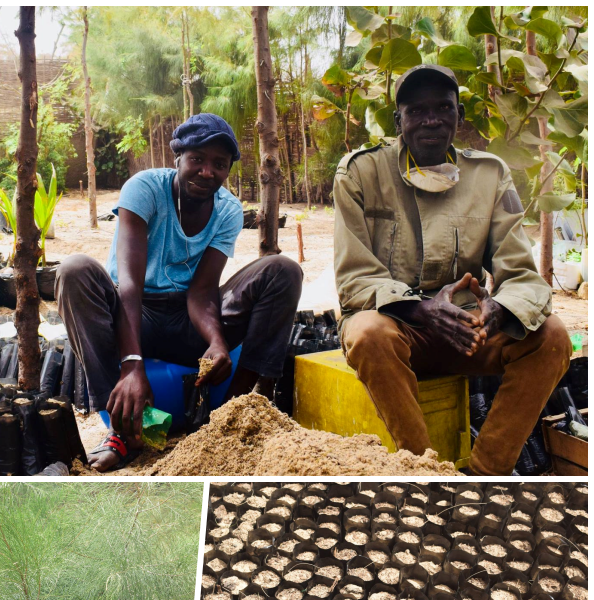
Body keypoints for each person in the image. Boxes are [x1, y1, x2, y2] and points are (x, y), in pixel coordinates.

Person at [333, 64, 571, 476]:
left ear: (459, 117)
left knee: (552, 336)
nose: (431, 120)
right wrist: (421, 311)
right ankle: (428, 477)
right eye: (417, 110)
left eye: (443, 108)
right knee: (367, 332)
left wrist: (497, 310)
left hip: (468, 334)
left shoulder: (490, 174)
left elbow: (522, 275)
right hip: (398, 330)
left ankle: (485, 476)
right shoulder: (361, 172)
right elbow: (354, 278)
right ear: (399, 121)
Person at [56, 113, 303, 471]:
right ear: (178, 160)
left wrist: (216, 342)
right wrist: (132, 365)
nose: (207, 172)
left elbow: (202, 292)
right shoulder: (145, 189)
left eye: (219, 164)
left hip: (187, 320)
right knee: (74, 270)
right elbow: (129, 286)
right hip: (131, 316)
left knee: (283, 271)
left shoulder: (229, 210)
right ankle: (125, 431)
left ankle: (229, 418)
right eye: (197, 160)